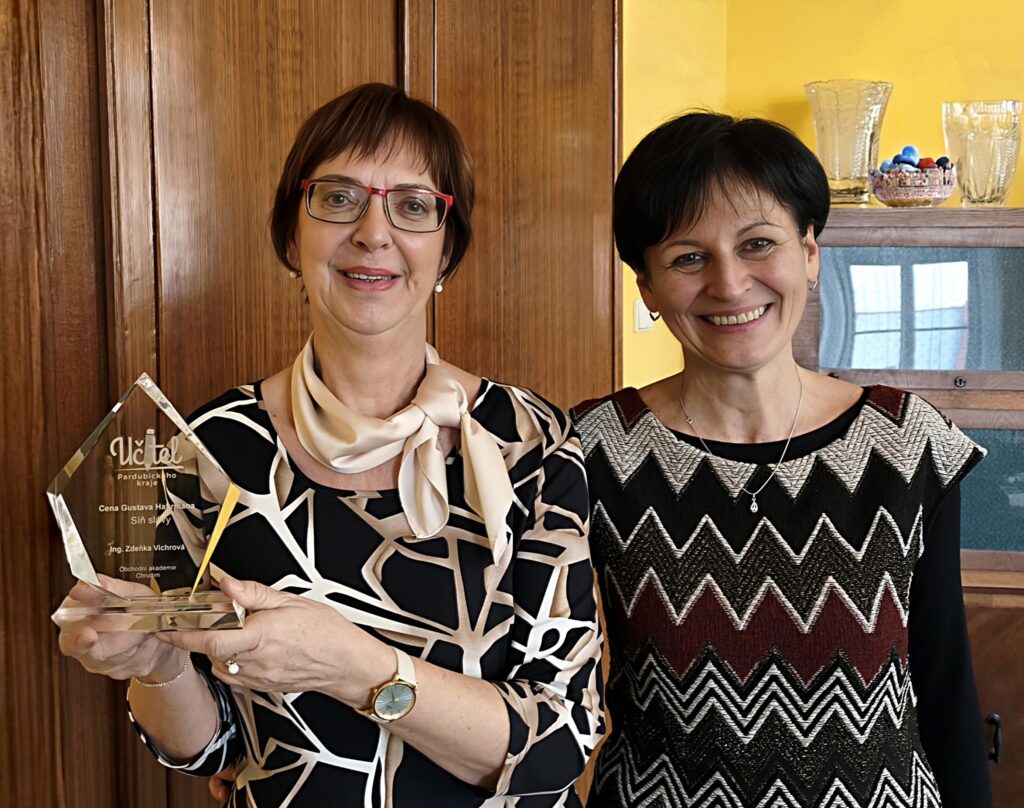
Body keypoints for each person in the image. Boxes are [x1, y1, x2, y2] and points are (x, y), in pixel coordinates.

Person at [57, 83, 605, 807]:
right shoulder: (211, 447)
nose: (374, 232)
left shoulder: (530, 442)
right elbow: (216, 749)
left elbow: (560, 737)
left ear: (447, 250)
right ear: (291, 237)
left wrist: (357, 669)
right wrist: (155, 664)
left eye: (413, 206)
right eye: (339, 198)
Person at [571, 112, 992, 807]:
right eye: (687, 258)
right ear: (646, 287)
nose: (730, 284)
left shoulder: (907, 442)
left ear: (810, 252)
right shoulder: (590, 449)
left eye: (758, 244)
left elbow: (946, 688)